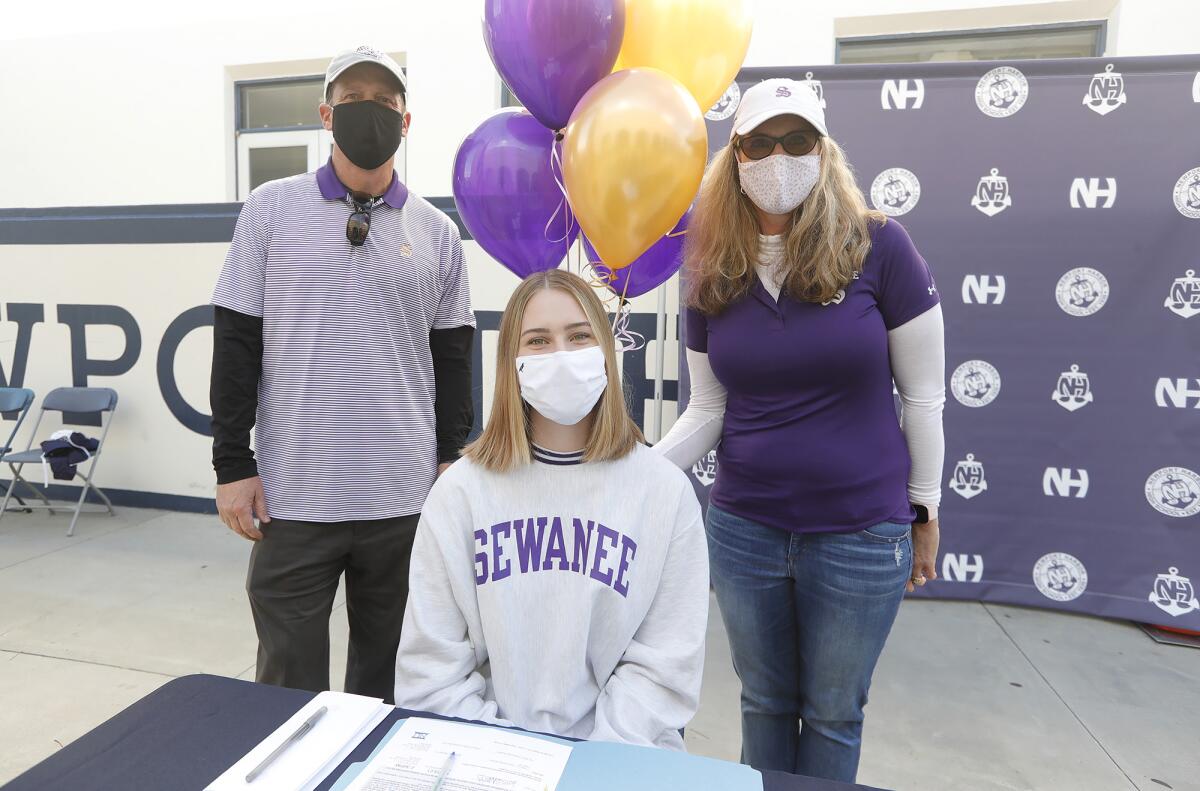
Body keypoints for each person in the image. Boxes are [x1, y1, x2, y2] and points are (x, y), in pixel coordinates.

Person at [655, 78, 946, 781]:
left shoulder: (880, 245)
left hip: (859, 532)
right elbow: (706, 410)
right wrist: (627, 471)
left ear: (822, 151)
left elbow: (925, 397)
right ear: (736, 154)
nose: (777, 156)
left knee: (834, 712)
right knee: (763, 702)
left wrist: (925, 507)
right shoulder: (709, 261)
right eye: (760, 141)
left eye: (796, 140)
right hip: (745, 530)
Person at [209, 45, 476, 702]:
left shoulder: (438, 233)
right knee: (285, 692)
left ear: (405, 123)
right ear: (326, 113)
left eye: (385, 103)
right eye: (354, 99)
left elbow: (454, 354)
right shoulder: (270, 211)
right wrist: (230, 464)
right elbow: (236, 343)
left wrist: (451, 458)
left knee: (390, 689)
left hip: (403, 502)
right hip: (293, 500)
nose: (370, 113)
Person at [394, 269, 708, 750]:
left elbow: (665, 664)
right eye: (537, 341)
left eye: (579, 335)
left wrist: (589, 768)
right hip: (488, 757)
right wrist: (510, 764)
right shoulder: (460, 493)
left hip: (620, 761)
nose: (561, 355)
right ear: (510, 363)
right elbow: (432, 669)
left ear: (606, 351)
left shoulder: (664, 492)